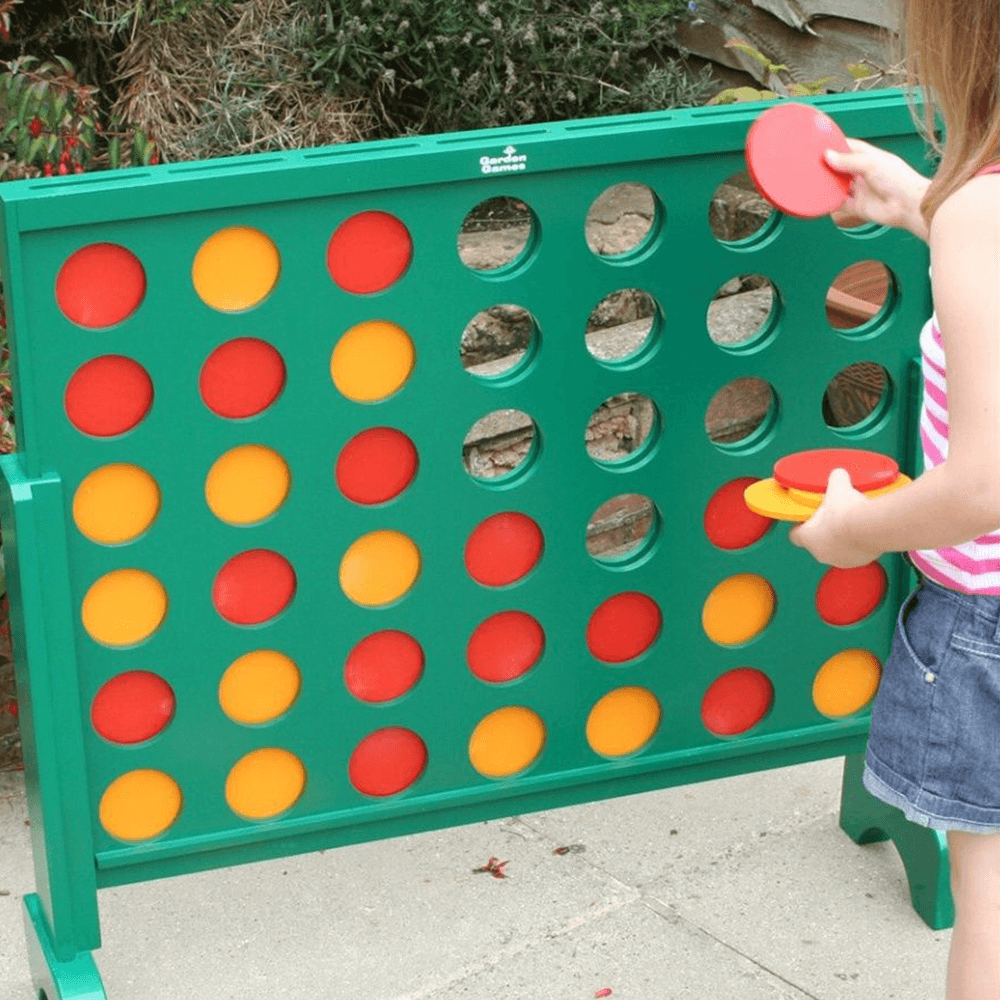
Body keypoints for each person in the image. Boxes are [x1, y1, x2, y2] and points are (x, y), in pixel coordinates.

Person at [788, 1, 999, 996]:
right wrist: (920, 200)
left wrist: (852, 529)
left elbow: (982, 484)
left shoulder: (983, 219)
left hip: (986, 626)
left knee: (992, 904)